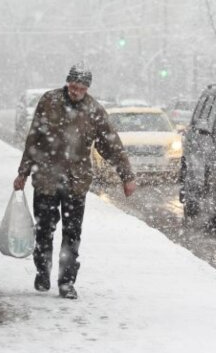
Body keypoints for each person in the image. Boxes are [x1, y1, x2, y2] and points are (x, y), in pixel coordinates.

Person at [13, 64, 136, 299]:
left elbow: (110, 145)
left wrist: (127, 176)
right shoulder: (48, 102)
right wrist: (23, 172)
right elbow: (34, 139)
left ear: (87, 88)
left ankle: (66, 282)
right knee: (44, 231)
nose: (76, 91)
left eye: (81, 87)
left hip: (75, 182)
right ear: (67, 82)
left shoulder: (94, 110)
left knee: (72, 234)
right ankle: (42, 270)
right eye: (73, 85)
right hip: (46, 179)